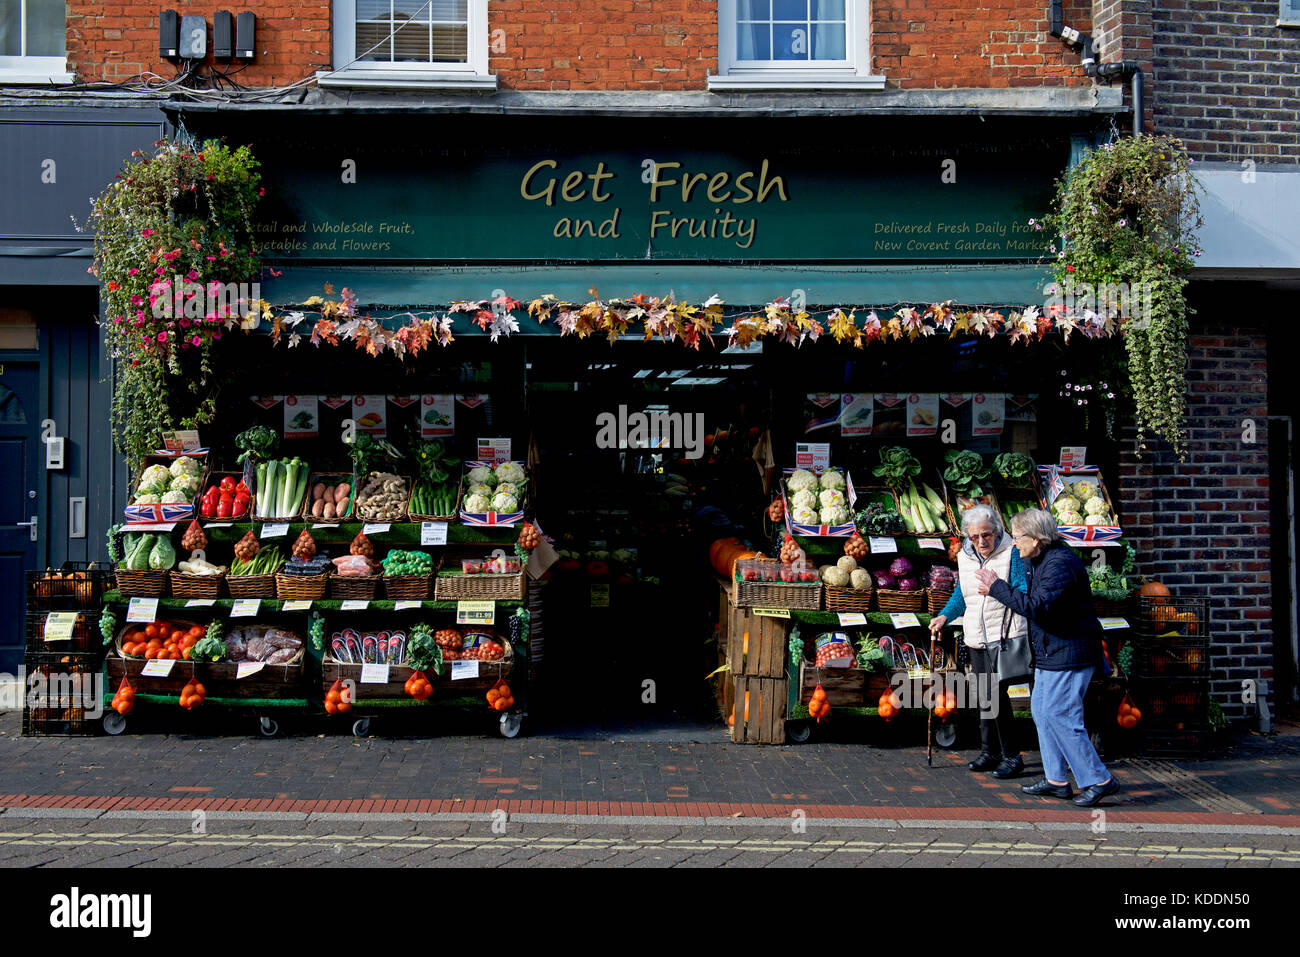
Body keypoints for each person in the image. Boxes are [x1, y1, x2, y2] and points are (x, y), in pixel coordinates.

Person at [975, 508, 1120, 807]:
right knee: (1042, 711)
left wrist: (996, 588)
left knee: (1062, 716)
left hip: (1070, 652)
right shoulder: (1038, 559)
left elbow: (1037, 606)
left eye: (1018, 538)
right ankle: (1056, 779)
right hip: (1051, 651)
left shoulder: (1060, 564)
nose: (1014, 544)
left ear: (1037, 538)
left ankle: (1099, 779)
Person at [930, 504, 1027, 778]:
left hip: (1003, 636)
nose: (981, 541)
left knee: (997, 695)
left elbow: (1022, 591)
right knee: (985, 696)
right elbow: (962, 595)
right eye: (975, 537)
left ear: (997, 531)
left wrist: (996, 589)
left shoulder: (1012, 553)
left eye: (986, 535)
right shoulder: (965, 556)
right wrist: (944, 617)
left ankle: (1011, 756)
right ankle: (989, 752)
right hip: (976, 637)